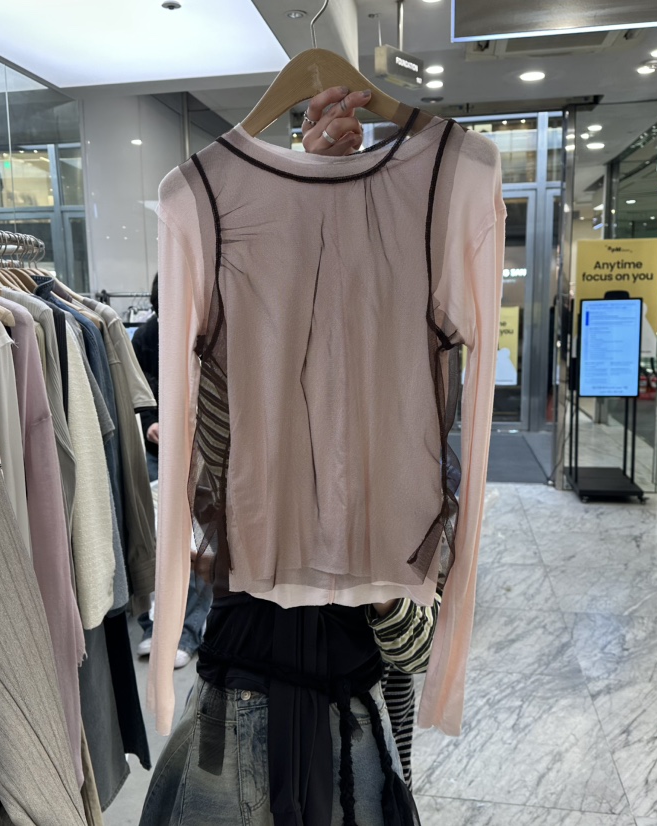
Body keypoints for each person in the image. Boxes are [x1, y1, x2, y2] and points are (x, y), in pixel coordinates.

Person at [140, 87, 436, 825]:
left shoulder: (405, 440)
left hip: (342, 730)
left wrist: (369, 568)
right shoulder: (241, 399)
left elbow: (414, 649)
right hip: (237, 710)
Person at [132, 274, 213, 665]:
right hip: (159, 450)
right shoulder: (146, 336)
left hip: (203, 449)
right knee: (157, 538)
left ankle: (189, 631)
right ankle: (155, 627)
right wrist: (150, 423)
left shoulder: (208, 333)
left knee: (199, 537)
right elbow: (135, 393)